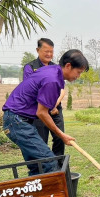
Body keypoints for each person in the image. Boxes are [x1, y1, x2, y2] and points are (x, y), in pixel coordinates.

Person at [3, 49, 89, 175]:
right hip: (17, 122)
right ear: (68, 66)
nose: (78, 76)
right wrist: (62, 135)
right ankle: (50, 192)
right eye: (78, 72)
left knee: (37, 165)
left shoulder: (52, 71)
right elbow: (41, 113)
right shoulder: (52, 79)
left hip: (18, 120)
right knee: (49, 162)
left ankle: (39, 193)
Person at [24, 38, 66, 168]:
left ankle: (58, 165)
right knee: (41, 141)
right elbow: (32, 90)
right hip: (38, 112)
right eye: (46, 51)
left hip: (55, 109)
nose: (49, 54)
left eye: (51, 52)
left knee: (60, 137)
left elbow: (62, 90)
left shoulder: (56, 68)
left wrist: (53, 105)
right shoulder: (30, 67)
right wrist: (47, 108)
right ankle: (43, 167)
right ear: (38, 50)